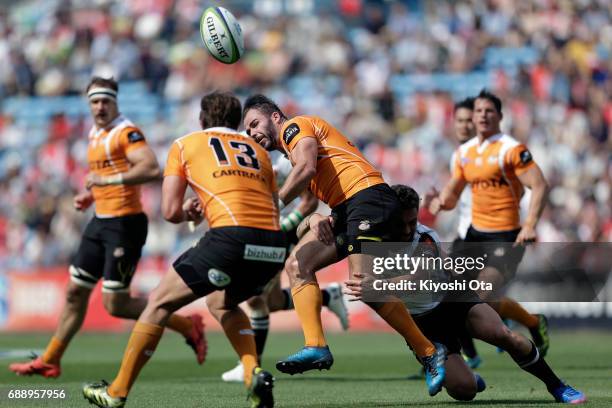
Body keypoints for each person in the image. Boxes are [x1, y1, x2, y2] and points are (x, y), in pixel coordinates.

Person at [82, 92, 284, 408]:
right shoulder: (259, 151)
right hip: (273, 246)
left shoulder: (185, 144)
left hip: (230, 239)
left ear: (202, 121)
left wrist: (189, 212)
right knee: (222, 303)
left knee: (159, 303)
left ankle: (116, 392)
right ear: (237, 123)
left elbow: (170, 211)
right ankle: (252, 373)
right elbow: (271, 207)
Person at [242, 94, 446, 396]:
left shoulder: (294, 128)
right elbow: (309, 205)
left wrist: (272, 205)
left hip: (368, 197)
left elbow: (307, 169)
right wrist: (311, 221)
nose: (252, 133)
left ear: (275, 117)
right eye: (246, 131)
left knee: (364, 284)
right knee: (298, 264)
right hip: (347, 209)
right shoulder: (292, 155)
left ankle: (429, 350)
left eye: (254, 124)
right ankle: (316, 346)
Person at [9, 77, 205, 379]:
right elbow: (106, 172)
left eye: (105, 101)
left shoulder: (126, 132)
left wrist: (108, 182)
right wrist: (91, 194)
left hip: (125, 224)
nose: (100, 107)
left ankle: (186, 325)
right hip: (100, 220)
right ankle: (51, 358)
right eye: (95, 102)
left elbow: (151, 168)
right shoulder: (95, 133)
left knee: (116, 304)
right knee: (75, 292)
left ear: (115, 102)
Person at [342, 185, 586, 404]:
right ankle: (467, 376)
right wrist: (316, 220)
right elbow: (339, 231)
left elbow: (417, 280)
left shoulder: (424, 237)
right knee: (464, 390)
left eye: (412, 222)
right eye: (401, 223)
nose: (407, 229)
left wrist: (380, 286)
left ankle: (558, 387)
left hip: (451, 301)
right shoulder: (372, 236)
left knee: (505, 335)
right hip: (421, 323)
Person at [428, 90, 550, 356]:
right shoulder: (464, 153)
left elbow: (539, 185)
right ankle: (460, 356)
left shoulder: (510, 149)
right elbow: (452, 194)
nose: (483, 115)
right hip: (472, 237)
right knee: (450, 295)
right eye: (479, 111)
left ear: (500, 116)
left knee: (481, 298)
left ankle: (513, 343)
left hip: (505, 237)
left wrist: (530, 224)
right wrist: (439, 203)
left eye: (489, 111)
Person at [221, 152, 349, 383]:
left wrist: (281, 226)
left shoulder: (285, 159)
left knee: (255, 299)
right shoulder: (243, 151)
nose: (254, 135)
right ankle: (328, 297)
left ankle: (250, 364)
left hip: (282, 233)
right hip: (260, 232)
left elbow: (309, 202)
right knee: (268, 302)